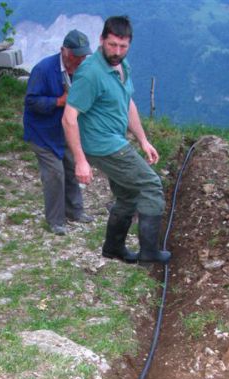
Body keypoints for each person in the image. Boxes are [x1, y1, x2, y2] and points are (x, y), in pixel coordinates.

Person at [62, 15, 170, 263]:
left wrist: (143, 140)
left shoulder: (122, 66)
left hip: (114, 139)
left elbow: (127, 102)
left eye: (123, 46)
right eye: (112, 45)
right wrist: (80, 160)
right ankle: (149, 253)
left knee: (128, 195)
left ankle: (113, 248)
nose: (117, 51)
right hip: (102, 145)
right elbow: (68, 118)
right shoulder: (90, 73)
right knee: (151, 186)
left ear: (129, 44)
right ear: (101, 40)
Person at [23, 30, 94, 235]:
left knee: (72, 166)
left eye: (82, 56)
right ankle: (56, 220)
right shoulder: (43, 70)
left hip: (65, 130)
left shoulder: (81, 69)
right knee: (55, 173)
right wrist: (57, 102)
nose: (79, 60)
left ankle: (75, 211)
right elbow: (31, 101)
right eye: (75, 55)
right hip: (42, 133)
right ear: (64, 51)